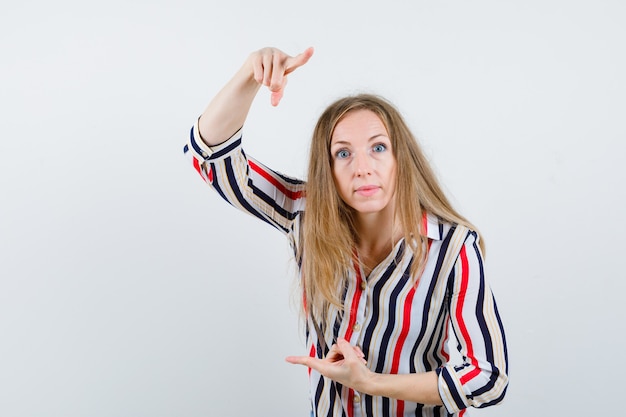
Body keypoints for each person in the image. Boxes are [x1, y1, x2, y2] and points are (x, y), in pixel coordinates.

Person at [183, 46, 508, 417]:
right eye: (343, 153)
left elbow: (487, 376)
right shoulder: (305, 214)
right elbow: (210, 160)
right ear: (328, 170)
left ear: (402, 158)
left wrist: (369, 382)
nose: (363, 168)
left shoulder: (453, 248)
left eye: (378, 148)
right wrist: (249, 73)